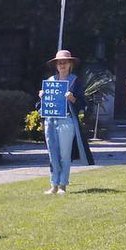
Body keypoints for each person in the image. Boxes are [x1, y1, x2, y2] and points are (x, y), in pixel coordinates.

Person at [39, 49, 92, 195]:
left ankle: (63, 184)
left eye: (65, 62)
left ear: (70, 64)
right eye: (59, 63)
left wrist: (72, 98)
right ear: (56, 65)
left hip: (66, 121)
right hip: (50, 121)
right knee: (52, 154)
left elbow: (82, 103)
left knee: (65, 154)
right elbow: (42, 106)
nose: (62, 65)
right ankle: (53, 184)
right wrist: (41, 97)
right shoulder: (50, 82)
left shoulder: (75, 81)